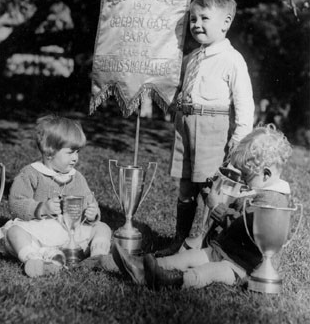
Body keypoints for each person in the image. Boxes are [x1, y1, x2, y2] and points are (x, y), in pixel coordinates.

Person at [112, 124, 293, 290]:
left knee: (208, 272)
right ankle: (140, 266)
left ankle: (169, 281)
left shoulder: (272, 201)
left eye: (247, 175)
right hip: (224, 251)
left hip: (242, 266)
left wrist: (216, 209)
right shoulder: (260, 191)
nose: (244, 180)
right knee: (188, 258)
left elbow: (241, 224)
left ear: (266, 174)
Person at [157, 0, 255, 257]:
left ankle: (203, 243)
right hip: (185, 123)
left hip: (212, 127)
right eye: (192, 19)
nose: (196, 24)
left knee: (209, 187)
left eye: (204, 18)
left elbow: (245, 104)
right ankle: (180, 240)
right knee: (186, 185)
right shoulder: (191, 58)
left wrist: (238, 141)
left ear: (226, 22)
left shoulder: (231, 59)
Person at [0, 115, 112, 277]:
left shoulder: (77, 177)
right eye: (70, 152)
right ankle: (34, 259)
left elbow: (89, 201)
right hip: (38, 231)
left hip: (70, 234)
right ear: (50, 152)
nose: (75, 158)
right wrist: (42, 208)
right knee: (14, 232)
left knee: (102, 227)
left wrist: (92, 213)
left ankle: (98, 257)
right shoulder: (31, 174)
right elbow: (16, 204)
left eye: (77, 152)